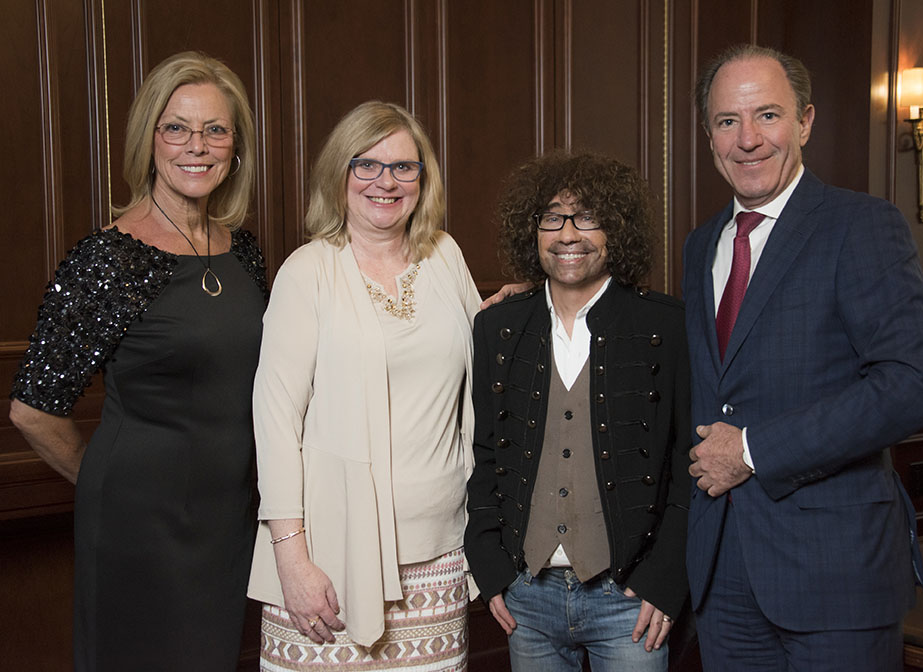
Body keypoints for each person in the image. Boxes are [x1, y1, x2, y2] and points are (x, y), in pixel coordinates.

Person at [683, 44, 923, 671]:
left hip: (836, 574)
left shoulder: (862, 226)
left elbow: (913, 385)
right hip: (722, 577)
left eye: (768, 116)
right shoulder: (701, 246)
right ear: (709, 135)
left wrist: (753, 450)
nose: (748, 139)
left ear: (804, 122)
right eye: (727, 122)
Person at [9, 51, 265, 670]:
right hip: (140, 531)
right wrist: (114, 489)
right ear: (148, 140)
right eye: (175, 127)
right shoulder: (108, 261)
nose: (195, 146)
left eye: (214, 129)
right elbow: (31, 412)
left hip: (231, 523)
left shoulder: (247, 254)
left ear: (235, 146)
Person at [248, 100, 481, 670]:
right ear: (340, 174)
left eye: (404, 167)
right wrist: (292, 561)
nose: (386, 181)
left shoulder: (445, 256)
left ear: (423, 180)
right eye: (367, 165)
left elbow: (489, 366)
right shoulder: (307, 271)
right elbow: (275, 419)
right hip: (328, 560)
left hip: (440, 553)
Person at [465, 151, 691, 672]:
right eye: (552, 217)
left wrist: (664, 580)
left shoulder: (667, 327)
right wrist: (492, 569)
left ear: (617, 229)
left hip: (630, 603)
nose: (569, 234)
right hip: (528, 599)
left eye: (587, 217)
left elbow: (687, 467)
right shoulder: (498, 328)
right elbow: (483, 455)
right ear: (534, 230)